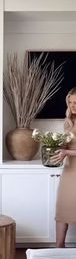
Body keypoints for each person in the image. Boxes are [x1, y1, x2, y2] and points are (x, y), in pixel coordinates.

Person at [51, 87, 76, 247]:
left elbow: (69, 149)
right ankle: (58, 248)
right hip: (69, 170)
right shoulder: (69, 122)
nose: (73, 105)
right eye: (71, 102)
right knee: (62, 208)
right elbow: (66, 145)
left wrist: (67, 151)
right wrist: (56, 147)